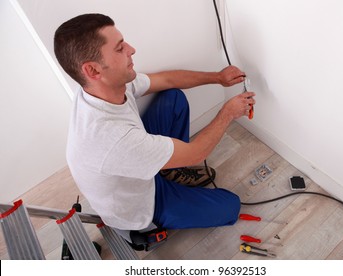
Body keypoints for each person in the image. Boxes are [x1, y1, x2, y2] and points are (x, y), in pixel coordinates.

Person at [54, 14, 256, 236]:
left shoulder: (100, 89)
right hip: (142, 206)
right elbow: (197, 153)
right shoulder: (112, 138)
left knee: (173, 98)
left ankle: (170, 171)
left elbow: (166, 80)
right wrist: (227, 113)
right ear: (93, 70)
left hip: (136, 166)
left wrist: (218, 77)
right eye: (120, 49)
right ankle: (149, 230)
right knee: (230, 206)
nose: (132, 49)